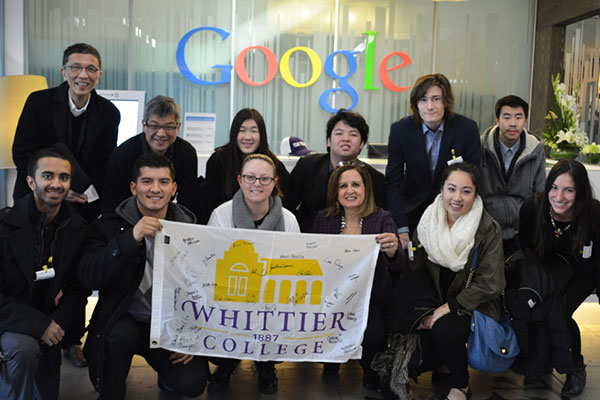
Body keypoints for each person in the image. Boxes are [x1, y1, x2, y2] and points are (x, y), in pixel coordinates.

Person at [78, 153, 209, 399]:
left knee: (192, 384)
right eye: (147, 181)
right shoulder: (107, 225)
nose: (155, 189)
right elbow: (89, 276)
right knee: (118, 340)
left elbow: (204, 287)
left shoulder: (191, 228)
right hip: (122, 320)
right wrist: (129, 239)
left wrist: (195, 334)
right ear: (133, 187)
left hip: (169, 324)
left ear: (174, 188)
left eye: (163, 182)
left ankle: (167, 376)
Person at [409, 162, 505, 400]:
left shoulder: (487, 228)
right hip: (434, 298)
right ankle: (442, 361)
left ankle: (460, 386)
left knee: (444, 328)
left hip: (475, 304)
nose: (457, 198)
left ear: (476, 194)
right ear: (441, 189)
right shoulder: (427, 223)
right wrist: (420, 311)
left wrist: (449, 307)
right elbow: (415, 270)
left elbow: (491, 283)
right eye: (451, 189)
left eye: (466, 191)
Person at [0, 148, 90, 400]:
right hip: (10, 323)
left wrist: (57, 323)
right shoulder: (4, 228)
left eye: (64, 177)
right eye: (48, 176)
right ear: (31, 182)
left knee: (47, 393)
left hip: (51, 323)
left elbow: (78, 288)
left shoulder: (77, 229)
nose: (56, 184)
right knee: (23, 349)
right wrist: (40, 325)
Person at [207, 153, 300, 394]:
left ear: (274, 182)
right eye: (250, 177)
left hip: (272, 295)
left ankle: (266, 364)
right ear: (239, 180)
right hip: (231, 293)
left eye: (264, 178)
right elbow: (210, 265)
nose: (256, 184)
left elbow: (295, 266)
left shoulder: (288, 220)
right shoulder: (221, 215)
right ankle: (227, 362)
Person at [311, 163, 403, 388]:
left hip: (371, 297)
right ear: (335, 191)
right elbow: (312, 260)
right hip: (331, 297)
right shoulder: (324, 219)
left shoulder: (382, 218)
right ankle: (331, 360)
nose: (349, 190)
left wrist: (392, 251)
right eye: (343, 186)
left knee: (373, 333)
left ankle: (370, 368)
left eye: (355, 184)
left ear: (366, 189)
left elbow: (398, 264)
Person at [514, 160, 600, 398]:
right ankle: (540, 362)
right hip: (547, 267)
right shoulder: (533, 207)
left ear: (580, 192)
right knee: (535, 306)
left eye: (569, 190)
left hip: (583, 271)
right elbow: (526, 244)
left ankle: (575, 368)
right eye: (554, 187)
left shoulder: (594, 214)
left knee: (559, 309)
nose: (559, 196)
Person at [12, 42, 120, 222]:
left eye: (91, 69)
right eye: (75, 67)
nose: (83, 75)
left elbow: (104, 162)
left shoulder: (109, 113)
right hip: (36, 198)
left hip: (81, 203)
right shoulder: (38, 102)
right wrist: (58, 189)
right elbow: (22, 154)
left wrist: (81, 193)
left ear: (99, 75)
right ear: (64, 72)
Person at [386, 73, 480, 251]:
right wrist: (401, 227)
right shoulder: (401, 130)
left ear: (446, 101)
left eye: (436, 99)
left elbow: (476, 177)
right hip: (412, 210)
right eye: (423, 100)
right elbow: (393, 182)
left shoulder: (466, 129)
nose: (430, 106)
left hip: (452, 211)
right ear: (416, 104)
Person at [286, 109, 386, 233]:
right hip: (309, 239)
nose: (346, 138)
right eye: (339, 133)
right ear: (328, 141)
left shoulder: (374, 178)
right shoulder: (307, 166)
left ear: (362, 144)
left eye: (353, 134)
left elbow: (378, 218)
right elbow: (287, 205)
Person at [101, 95, 199, 216]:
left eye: (168, 127)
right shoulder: (123, 154)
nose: (161, 133)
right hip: (128, 220)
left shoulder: (186, 153)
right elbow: (111, 205)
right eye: (154, 126)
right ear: (144, 124)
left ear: (178, 127)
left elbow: (188, 203)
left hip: (169, 219)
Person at [480, 95, 546, 258]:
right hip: (486, 230)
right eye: (506, 117)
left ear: (526, 120)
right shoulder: (480, 148)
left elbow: (540, 194)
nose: (513, 123)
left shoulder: (535, 151)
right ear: (497, 120)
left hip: (522, 231)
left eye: (518, 117)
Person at [201, 108, 290, 223]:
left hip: (266, 227)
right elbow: (209, 202)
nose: (247, 137)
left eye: (254, 131)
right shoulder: (218, 161)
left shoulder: (274, 165)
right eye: (242, 130)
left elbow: (284, 202)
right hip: (226, 225)